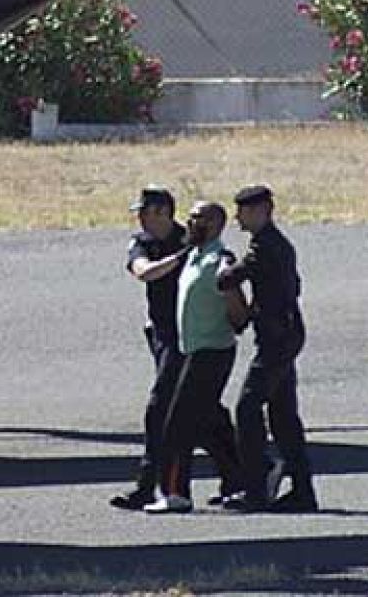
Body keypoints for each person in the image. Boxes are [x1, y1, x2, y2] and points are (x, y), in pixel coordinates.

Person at [111, 187, 241, 510]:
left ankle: (150, 486)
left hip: (192, 336)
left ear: (164, 212)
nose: (140, 218)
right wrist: (180, 258)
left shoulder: (194, 241)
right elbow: (144, 271)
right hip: (164, 335)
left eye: (146, 212)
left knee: (164, 409)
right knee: (203, 412)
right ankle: (244, 474)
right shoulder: (145, 243)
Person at [146, 201, 249, 514]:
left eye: (200, 219)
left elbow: (235, 303)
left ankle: (176, 493)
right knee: (207, 421)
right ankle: (246, 478)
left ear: (217, 224)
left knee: (178, 424)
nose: (191, 224)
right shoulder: (192, 254)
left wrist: (237, 315)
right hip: (192, 349)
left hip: (211, 351)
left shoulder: (220, 258)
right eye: (190, 218)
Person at [220, 185, 316, 512]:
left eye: (244, 211)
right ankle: (302, 491)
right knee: (283, 415)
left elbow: (237, 275)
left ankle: (257, 487)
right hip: (282, 334)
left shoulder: (267, 246)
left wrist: (223, 272)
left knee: (247, 409)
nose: (238, 218)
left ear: (262, 210)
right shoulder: (272, 244)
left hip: (278, 338)